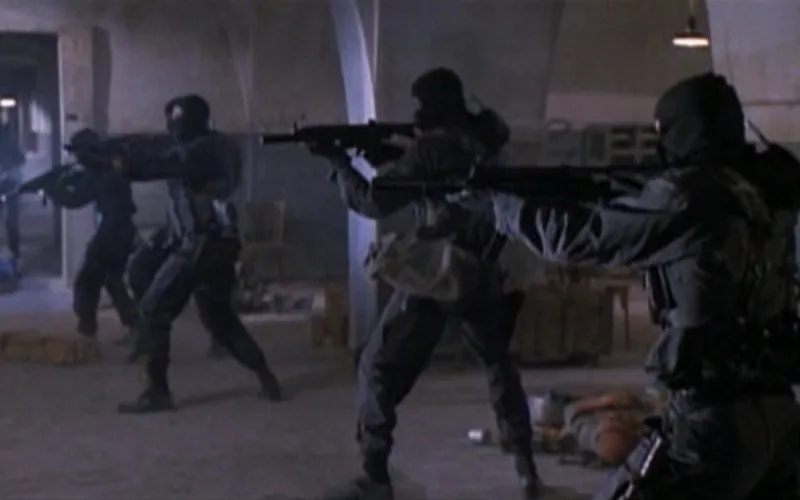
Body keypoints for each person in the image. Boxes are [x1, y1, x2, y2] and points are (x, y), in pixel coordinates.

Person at [490, 72, 800, 500]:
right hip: (779, 416)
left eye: (666, 132)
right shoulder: (770, 191)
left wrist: (499, 206)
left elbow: (578, 237)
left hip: (713, 421)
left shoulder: (688, 196)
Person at [314, 68, 543, 500]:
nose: (416, 112)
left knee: (375, 366)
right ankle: (527, 470)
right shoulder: (486, 138)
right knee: (498, 366)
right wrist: (385, 155)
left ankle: (375, 476)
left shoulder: (432, 147)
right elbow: (436, 182)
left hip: (440, 273)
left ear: (434, 105)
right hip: (484, 269)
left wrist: (340, 163)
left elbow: (373, 201)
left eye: (421, 104)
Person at [79, 94, 283, 413]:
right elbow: (165, 155)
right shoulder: (212, 145)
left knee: (153, 310)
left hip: (201, 245)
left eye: (179, 121)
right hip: (214, 242)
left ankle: (157, 392)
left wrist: (120, 163)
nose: (174, 128)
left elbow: (165, 162)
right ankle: (266, 377)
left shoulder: (204, 150)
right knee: (219, 317)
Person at [35, 128, 138, 339]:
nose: (77, 157)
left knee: (87, 281)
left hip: (113, 230)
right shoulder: (107, 167)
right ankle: (136, 328)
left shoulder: (103, 172)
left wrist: (51, 189)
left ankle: (87, 330)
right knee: (112, 281)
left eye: (79, 152)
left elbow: (75, 199)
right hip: (122, 229)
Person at [126, 224, 228, 359]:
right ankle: (144, 344)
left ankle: (144, 344)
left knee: (203, 297)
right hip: (164, 265)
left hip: (175, 262)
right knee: (151, 309)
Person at [0, 120, 25, 269]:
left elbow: (20, 159)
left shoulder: (9, 145)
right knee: (11, 221)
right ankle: (14, 255)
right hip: (10, 184)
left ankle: (14, 255)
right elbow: (21, 159)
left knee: (11, 221)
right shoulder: (10, 144)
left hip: (9, 184)